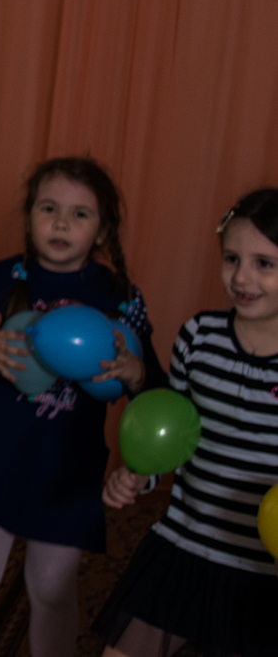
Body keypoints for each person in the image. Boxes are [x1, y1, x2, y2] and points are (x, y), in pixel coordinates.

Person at [0, 156, 161, 657]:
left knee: (53, 592)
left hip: (66, 470)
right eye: (48, 208)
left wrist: (133, 373)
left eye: (80, 214)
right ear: (29, 215)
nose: (61, 223)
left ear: (103, 230)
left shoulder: (120, 298)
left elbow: (153, 390)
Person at [93, 187, 278, 657]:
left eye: (264, 264)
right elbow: (175, 436)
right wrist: (142, 475)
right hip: (185, 544)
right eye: (232, 259)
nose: (242, 277)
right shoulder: (199, 336)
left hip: (264, 573)